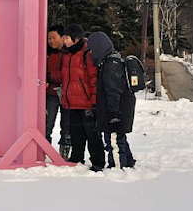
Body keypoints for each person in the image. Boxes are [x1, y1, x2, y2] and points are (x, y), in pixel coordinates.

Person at [86, 31, 136, 169]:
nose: (91, 53)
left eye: (92, 50)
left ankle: (117, 168)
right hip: (117, 111)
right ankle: (128, 163)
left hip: (115, 113)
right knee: (120, 139)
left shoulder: (111, 65)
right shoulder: (111, 62)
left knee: (113, 141)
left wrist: (113, 115)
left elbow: (113, 91)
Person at [61, 24, 105, 172]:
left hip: (86, 103)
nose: (64, 41)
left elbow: (94, 80)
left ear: (76, 38)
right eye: (64, 37)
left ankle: (98, 161)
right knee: (76, 133)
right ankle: (77, 157)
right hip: (71, 102)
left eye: (67, 38)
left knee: (92, 135)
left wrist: (94, 103)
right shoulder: (67, 54)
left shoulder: (87, 53)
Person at [45, 25, 71, 160]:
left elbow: (67, 73)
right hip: (50, 94)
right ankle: (43, 149)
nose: (51, 41)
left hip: (67, 94)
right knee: (47, 124)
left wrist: (49, 76)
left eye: (54, 37)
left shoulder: (69, 52)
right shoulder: (46, 53)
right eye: (49, 38)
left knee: (66, 126)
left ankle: (64, 152)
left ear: (62, 38)